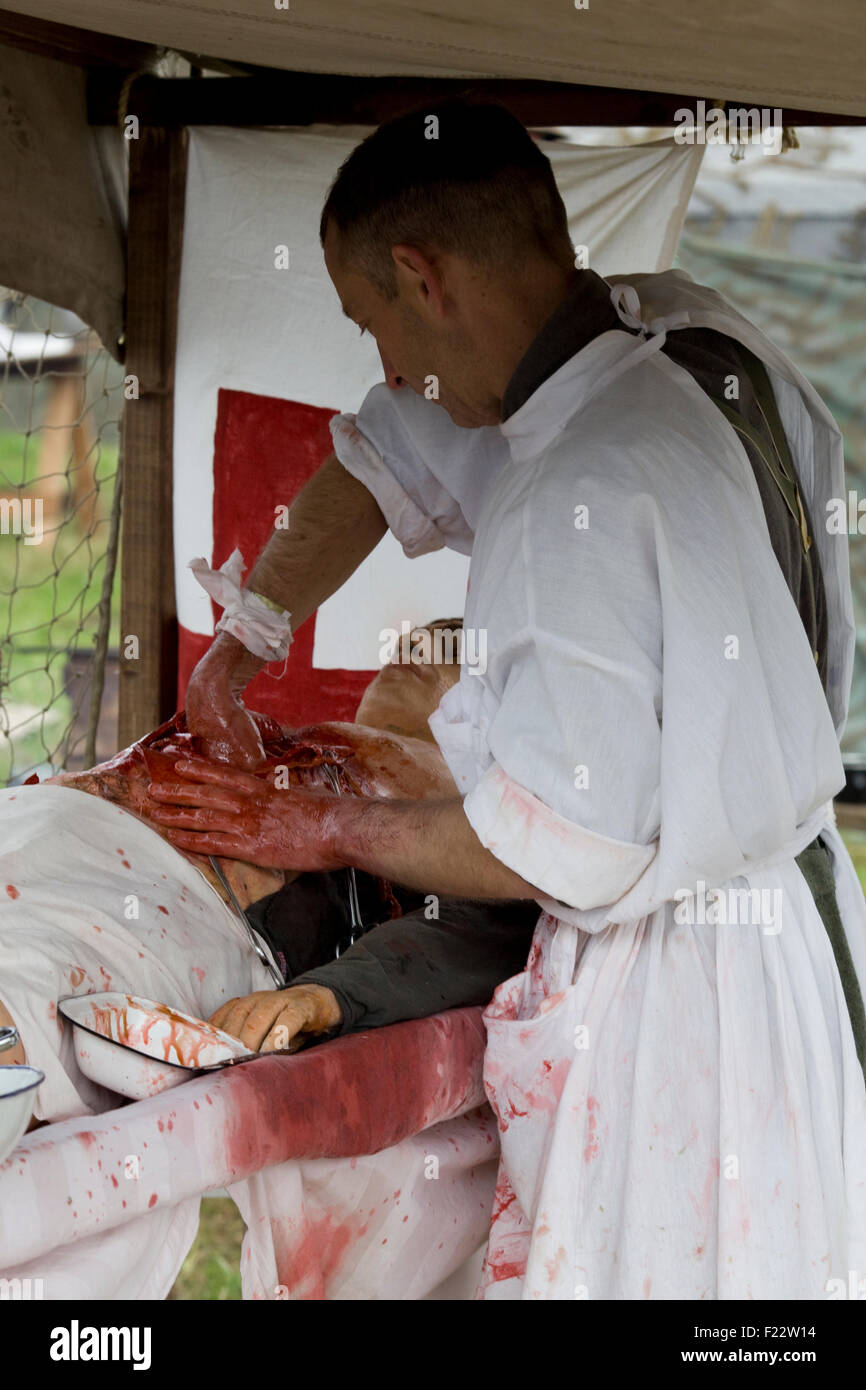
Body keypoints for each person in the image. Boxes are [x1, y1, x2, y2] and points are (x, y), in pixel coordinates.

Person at [162, 98, 866, 1300]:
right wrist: (247, 637)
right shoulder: (683, 354)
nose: (384, 372)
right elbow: (385, 455)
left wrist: (322, 827)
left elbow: (563, 845)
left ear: (417, 275)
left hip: (681, 992)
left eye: (369, 321)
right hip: (792, 930)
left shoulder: (568, 490)